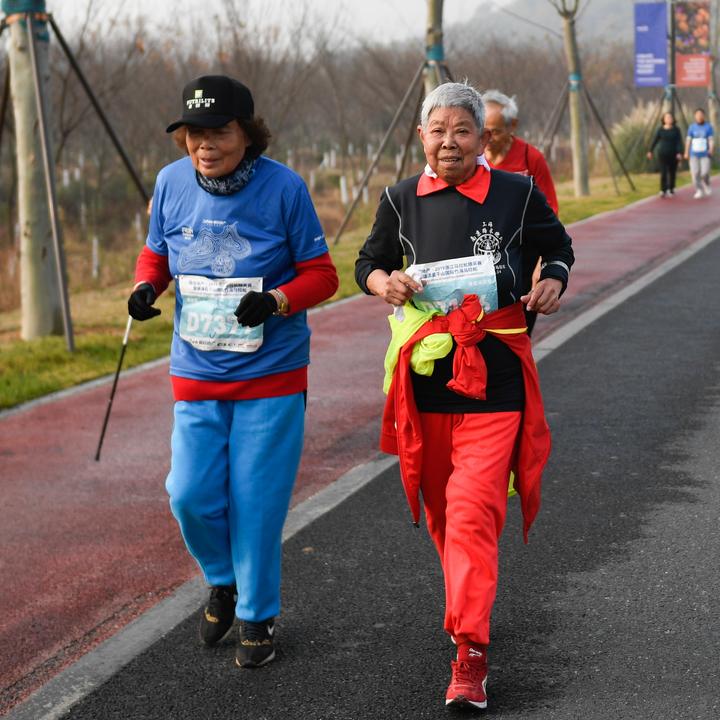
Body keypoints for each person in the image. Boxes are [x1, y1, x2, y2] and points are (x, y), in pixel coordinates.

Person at [355, 82, 573, 711]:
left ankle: (470, 654)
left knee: (476, 512)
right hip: (425, 384)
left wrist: (552, 278)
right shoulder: (399, 200)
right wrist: (383, 282)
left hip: (496, 376)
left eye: (462, 131)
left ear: (483, 139)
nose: (448, 142)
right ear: (420, 135)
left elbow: (556, 247)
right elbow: (367, 262)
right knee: (447, 517)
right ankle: (466, 606)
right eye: (437, 130)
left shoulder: (516, 191)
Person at [127, 74, 338, 669]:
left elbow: (323, 274)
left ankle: (257, 616)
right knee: (188, 494)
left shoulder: (284, 189)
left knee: (255, 503)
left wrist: (276, 301)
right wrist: (146, 285)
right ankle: (222, 580)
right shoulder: (170, 184)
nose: (205, 144)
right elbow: (156, 251)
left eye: (218, 131)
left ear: (247, 133)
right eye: (195, 133)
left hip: (270, 374)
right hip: (197, 371)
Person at [481, 89, 559, 335]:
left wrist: (542, 265)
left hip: (524, 255)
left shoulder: (530, 157)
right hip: (484, 253)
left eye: (495, 130)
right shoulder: (473, 159)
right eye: (483, 129)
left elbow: (550, 212)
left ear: (512, 125)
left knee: (520, 330)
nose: (488, 137)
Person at [647, 112, 684, 197]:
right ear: (663, 120)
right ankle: (663, 189)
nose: (668, 119)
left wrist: (679, 152)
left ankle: (671, 188)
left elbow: (679, 142)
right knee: (663, 172)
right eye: (666, 118)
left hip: (673, 154)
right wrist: (650, 151)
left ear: (673, 119)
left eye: (670, 117)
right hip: (662, 154)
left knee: (672, 172)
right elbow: (655, 140)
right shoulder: (660, 130)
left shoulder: (676, 130)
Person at [684, 107, 714, 199]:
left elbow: (711, 140)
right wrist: (686, 152)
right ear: (695, 116)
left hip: (705, 154)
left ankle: (707, 184)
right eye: (697, 115)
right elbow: (688, 140)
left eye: (701, 115)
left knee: (705, 172)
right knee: (695, 173)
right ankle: (699, 190)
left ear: (704, 116)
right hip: (694, 154)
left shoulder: (708, 127)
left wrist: (711, 149)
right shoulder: (692, 127)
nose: (699, 116)